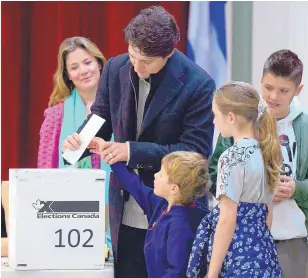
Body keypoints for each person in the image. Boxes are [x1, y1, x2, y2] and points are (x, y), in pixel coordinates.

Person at [61, 6, 215, 278]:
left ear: (168, 54)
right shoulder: (115, 67)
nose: (135, 65)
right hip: (125, 208)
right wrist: (79, 143)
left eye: (145, 61)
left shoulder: (198, 84)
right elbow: (102, 116)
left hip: (175, 212)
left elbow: (195, 151)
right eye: (132, 54)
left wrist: (131, 151)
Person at [209, 50, 308, 278]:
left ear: (298, 91)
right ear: (260, 81)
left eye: (283, 90)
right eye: (268, 87)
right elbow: (214, 172)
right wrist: (252, 192)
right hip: (241, 237)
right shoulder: (238, 121)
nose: (273, 96)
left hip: (290, 240)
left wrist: (296, 188)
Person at [187, 82, 282, 277]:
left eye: (215, 115)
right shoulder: (268, 152)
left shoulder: (232, 157)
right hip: (264, 254)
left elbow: (226, 220)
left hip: (237, 258)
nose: (213, 121)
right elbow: (268, 214)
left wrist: (212, 273)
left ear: (231, 117)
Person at [37, 36, 113, 260]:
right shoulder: (54, 116)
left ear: (99, 63)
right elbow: (44, 173)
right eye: (74, 67)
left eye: (88, 62)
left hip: (120, 218)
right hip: (67, 224)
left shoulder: (123, 109)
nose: (83, 71)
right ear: (67, 74)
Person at [91, 137, 210, 277]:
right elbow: (135, 185)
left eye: (161, 174)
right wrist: (108, 153)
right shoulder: (162, 205)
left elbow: (177, 272)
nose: (155, 175)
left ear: (174, 188)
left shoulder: (181, 225)